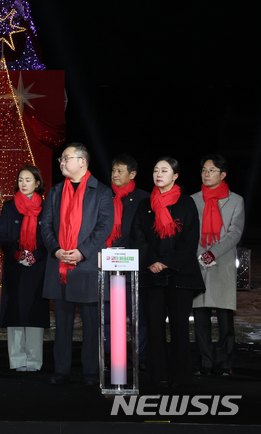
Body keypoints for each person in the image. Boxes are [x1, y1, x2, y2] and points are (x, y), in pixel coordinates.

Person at [39, 143, 113, 386]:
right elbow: (46, 225)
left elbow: (104, 227)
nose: (62, 162)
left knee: (92, 324)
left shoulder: (101, 191)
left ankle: (91, 371)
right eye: (61, 158)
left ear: (83, 162)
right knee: (62, 323)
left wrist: (82, 252)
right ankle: (61, 370)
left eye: (66, 158)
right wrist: (57, 250)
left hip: (87, 266)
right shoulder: (56, 191)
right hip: (60, 265)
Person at [130, 157, 205, 388]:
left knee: (180, 328)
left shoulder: (186, 203)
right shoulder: (145, 205)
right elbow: (138, 236)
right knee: (154, 328)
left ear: (175, 176)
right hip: (151, 274)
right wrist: (152, 260)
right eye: (155, 170)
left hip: (179, 275)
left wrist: (167, 262)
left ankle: (180, 377)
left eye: (164, 170)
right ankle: (157, 375)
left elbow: (190, 239)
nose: (158, 174)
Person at [192, 155, 244, 376]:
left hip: (221, 263)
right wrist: (200, 255)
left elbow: (235, 233)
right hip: (198, 263)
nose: (206, 174)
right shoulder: (194, 200)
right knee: (200, 316)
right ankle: (205, 362)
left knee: (225, 316)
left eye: (211, 170)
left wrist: (212, 253)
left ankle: (225, 363)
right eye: (204, 170)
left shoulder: (235, 200)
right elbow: (189, 232)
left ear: (223, 174)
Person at [0, 165, 49, 372]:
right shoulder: (8, 207)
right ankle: (17, 360)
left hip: (38, 267)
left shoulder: (47, 208)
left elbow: (49, 238)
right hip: (15, 266)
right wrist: (18, 254)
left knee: (35, 312)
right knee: (15, 311)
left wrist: (35, 255)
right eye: (20, 180)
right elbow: (2, 236)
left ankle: (34, 361)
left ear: (37, 183)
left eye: (28, 180)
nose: (24, 183)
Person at [103, 154, 149, 368]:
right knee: (111, 316)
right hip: (107, 265)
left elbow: (147, 235)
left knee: (137, 315)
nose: (115, 175)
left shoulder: (144, 199)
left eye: (120, 171)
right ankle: (114, 356)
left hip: (134, 267)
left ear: (132, 174)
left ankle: (139, 357)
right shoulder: (104, 196)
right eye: (113, 170)